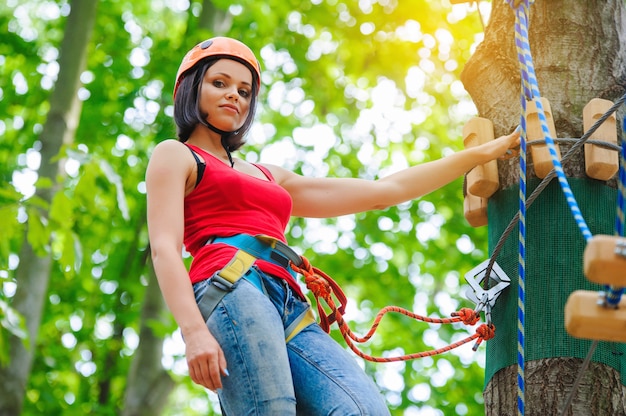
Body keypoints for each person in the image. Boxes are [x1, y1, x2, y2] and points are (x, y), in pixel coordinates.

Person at [145, 37, 520, 415]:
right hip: (233, 287)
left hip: (290, 302)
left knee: (363, 409)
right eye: (219, 83)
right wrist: (193, 332)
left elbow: (384, 191)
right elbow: (164, 248)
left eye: (245, 91)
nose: (235, 96)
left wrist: (480, 153)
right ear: (191, 89)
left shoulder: (267, 175)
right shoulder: (176, 155)